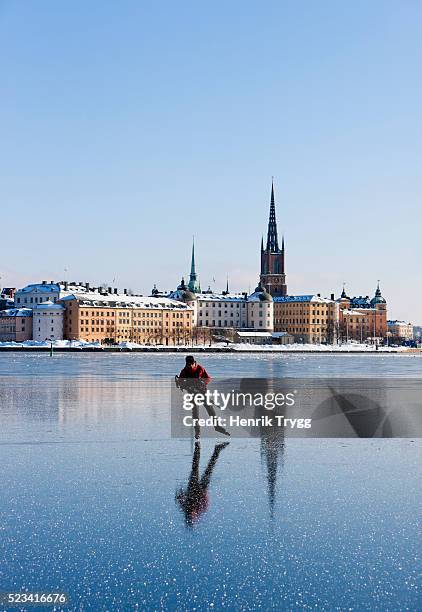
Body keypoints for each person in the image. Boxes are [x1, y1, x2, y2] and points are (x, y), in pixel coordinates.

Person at [175, 356, 230, 438]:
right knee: (195, 413)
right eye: (188, 364)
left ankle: (217, 427)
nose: (190, 366)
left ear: (194, 363)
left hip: (202, 392)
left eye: (191, 364)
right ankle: (197, 432)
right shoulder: (184, 371)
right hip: (192, 394)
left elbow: (208, 378)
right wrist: (181, 384)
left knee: (210, 410)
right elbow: (180, 382)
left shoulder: (200, 368)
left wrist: (203, 383)